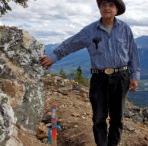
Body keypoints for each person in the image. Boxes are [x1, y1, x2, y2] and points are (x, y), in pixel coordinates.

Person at [40, 0, 140, 145]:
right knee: (99, 117)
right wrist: (54, 56)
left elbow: (133, 53)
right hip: (99, 78)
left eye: (111, 5)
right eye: (104, 5)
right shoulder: (90, 31)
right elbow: (71, 44)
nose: (107, 8)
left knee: (117, 117)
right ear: (99, 8)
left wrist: (134, 76)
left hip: (121, 76)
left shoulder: (125, 29)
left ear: (117, 10)